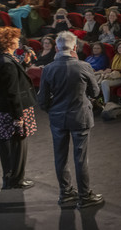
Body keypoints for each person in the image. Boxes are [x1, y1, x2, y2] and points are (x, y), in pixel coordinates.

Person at [38, 31, 104, 208]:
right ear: (74, 48)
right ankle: (85, 196)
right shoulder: (84, 66)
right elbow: (95, 93)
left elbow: (42, 100)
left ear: (57, 48)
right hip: (80, 118)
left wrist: (53, 109)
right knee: (80, 158)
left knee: (60, 157)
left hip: (57, 118)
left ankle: (65, 193)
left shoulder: (48, 68)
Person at [0, 27, 37, 190]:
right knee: (19, 145)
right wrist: (18, 117)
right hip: (13, 110)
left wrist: (24, 64)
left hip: (0, 109)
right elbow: (13, 92)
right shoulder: (7, 62)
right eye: (15, 38)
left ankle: (8, 176)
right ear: (7, 42)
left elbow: (10, 80)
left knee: (5, 145)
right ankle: (17, 179)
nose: (18, 41)